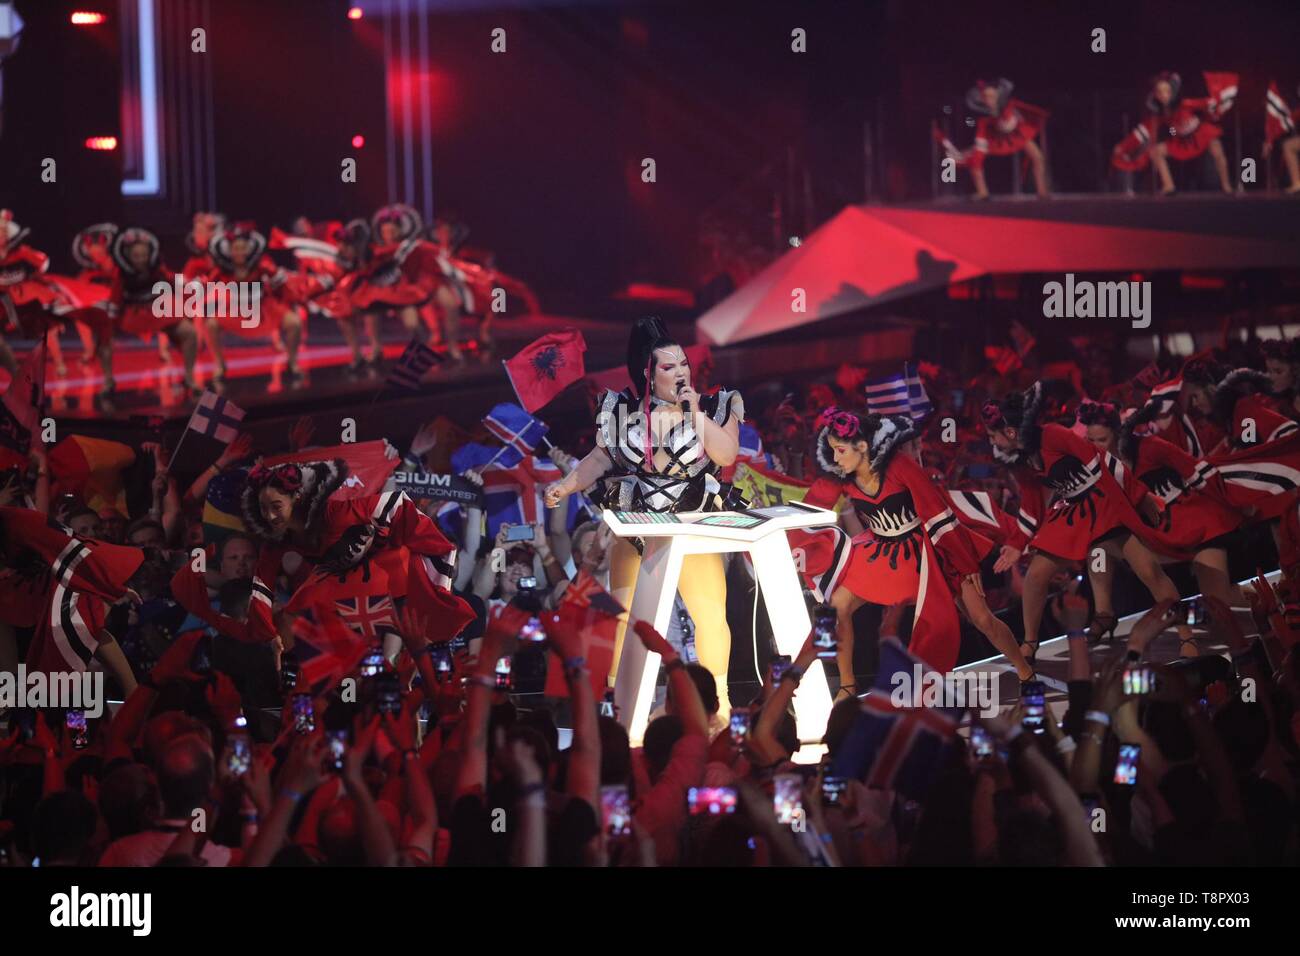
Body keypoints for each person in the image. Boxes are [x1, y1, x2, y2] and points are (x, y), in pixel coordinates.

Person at [543, 316, 744, 713]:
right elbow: (601, 458)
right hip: (637, 527)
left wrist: (695, 413)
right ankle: (624, 707)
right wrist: (566, 485)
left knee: (709, 616)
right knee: (624, 619)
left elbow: (726, 455)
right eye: (670, 367)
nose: (682, 372)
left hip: (692, 524)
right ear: (648, 375)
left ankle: (717, 706)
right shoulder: (620, 411)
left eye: (684, 363)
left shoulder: (718, 405)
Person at [805, 407, 1034, 687]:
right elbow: (809, 509)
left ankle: (1025, 671)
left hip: (930, 547)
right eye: (832, 450)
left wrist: (965, 564)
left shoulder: (900, 465)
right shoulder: (840, 475)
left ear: (862, 447)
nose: (834, 458)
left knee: (982, 619)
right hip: (880, 554)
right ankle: (848, 687)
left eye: (840, 450)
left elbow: (938, 514)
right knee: (838, 605)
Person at [983, 383, 1184, 659]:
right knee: (1036, 575)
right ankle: (1029, 644)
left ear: (1010, 431)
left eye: (993, 436)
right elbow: (1031, 504)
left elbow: (1102, 460)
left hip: (1104, 501)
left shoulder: (1053, 434)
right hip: (1072, 511)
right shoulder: (1018, 459)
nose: (992, 442)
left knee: (1148, 571)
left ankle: (1186, 633)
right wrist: (1017, 544)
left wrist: (1140, 495)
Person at [1078, 400, 1249, 651]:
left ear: (1117, 434)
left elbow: (1197, 471)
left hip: (1199, 529)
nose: (1095, 447)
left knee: (1218, 606)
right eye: (1090, 441)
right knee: (1099, 546)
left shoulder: (1150, 447)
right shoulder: (1096, 468)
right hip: (1160, 537)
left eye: (1101, 440)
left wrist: (1236, 501)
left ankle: (1264, 593)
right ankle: (1104, 613)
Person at [202, 223, 300, 387]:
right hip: (236, 312)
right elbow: (206, 287)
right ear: (230, 250)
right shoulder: (222, 270)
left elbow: (280, 283)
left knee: (294, 322)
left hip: (264, 311)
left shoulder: (262, 264)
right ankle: (220, 365)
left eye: (243, 248)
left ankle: (292, 363)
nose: (239, 252)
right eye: (236, 248)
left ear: (249, 249)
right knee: (211, 323)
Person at [108, 227, 200, 395]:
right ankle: (107, 382)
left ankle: (189, 378)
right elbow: (114, 302)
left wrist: (187, 285)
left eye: (144, 255)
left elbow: (174, 280)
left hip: (160, 312)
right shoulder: (121, 275)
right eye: (137, 256)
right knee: (104, 339)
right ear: (127, 255)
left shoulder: (157, 269)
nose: (141, 259)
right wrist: (109, 327)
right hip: (133, 317)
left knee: (190, 333)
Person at [1112, 71, 1236, 194]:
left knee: (1217, 148)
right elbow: (1152, 130)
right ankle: (1168, 185)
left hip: (1200, 133)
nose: (1163, 95)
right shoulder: (1160, 114)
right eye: (1160, 92)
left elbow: (1207, 105)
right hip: (1181, 140)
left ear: (1172, 91)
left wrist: (1214, 108)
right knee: (1156, 151)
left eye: (1166, 91)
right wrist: (1173, 133)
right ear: (1155, 94)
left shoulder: (1186, 103)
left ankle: (1226, 186)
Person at [940, 78, 1049, 199]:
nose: (989, 100)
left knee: (1037, 157)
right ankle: (982, 192)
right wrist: (976, 154)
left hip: (1017, 134)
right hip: (993, 138)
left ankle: (1042, 191)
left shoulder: (1009, 105)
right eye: (986, 97)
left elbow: (1020, 116)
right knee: (974, 158)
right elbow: (982, 137)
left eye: (992, 96)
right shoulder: (984, 118)